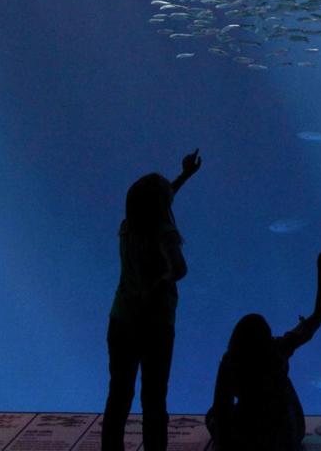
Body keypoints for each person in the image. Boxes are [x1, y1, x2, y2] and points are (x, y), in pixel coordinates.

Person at [102, 149, 201, 451]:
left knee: (119, 394)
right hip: (155, 324)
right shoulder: (164, 233)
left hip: (121, 320)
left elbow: (161, 198)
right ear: (162, 205)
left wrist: (183, 175)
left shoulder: (127, 227)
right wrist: (162, 280)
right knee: (154, 399)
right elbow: (180, 269)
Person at [206, 251, 321, 451]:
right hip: (287, 432)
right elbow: (317, 316)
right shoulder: (277, 350)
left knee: (211, 415)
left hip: (247, 434)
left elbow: (221, 409)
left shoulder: (230, 362)